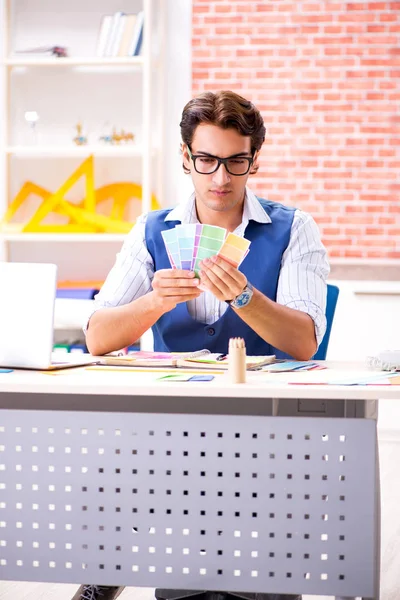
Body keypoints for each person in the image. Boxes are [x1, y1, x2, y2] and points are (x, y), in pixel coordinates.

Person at [72, 90, 330, 600]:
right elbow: (97, 337)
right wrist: (153, 303)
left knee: (258, 588)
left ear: (255, 159)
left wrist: (244, 295)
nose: (220, 179)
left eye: (236, 162)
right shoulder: (151, 230)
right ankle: (109, 569)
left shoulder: (294, 228)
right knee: (115, 455)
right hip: (171, 427)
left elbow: (303, 342)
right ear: (186, 158)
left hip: (266, 428)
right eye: (207, 160)